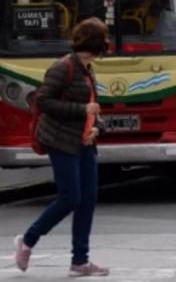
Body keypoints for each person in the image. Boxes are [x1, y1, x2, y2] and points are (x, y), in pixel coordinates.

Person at [14, 18, 110, 277]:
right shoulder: (63, 67)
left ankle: (80, 261)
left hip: (85, 142)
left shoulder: (88, 69)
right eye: (105, 39)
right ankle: (28, 240)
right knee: (70, 197)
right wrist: (81, 110)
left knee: (87, 200)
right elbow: (42, 100)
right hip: (60, 141)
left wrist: (97, 128)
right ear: (96, 42)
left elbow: (94, 106)